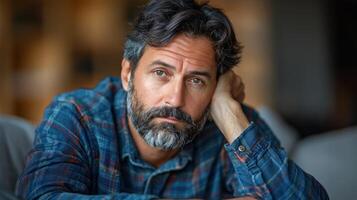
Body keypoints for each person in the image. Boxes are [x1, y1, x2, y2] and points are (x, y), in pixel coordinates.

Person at [16, 0, 329, 199]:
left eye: (196, 80)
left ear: (216, 87)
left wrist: (227, 111)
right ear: (128, 74)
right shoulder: (76, 114)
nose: (176, 98)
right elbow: (42, 196)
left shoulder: (230, 123)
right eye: (161, 73)